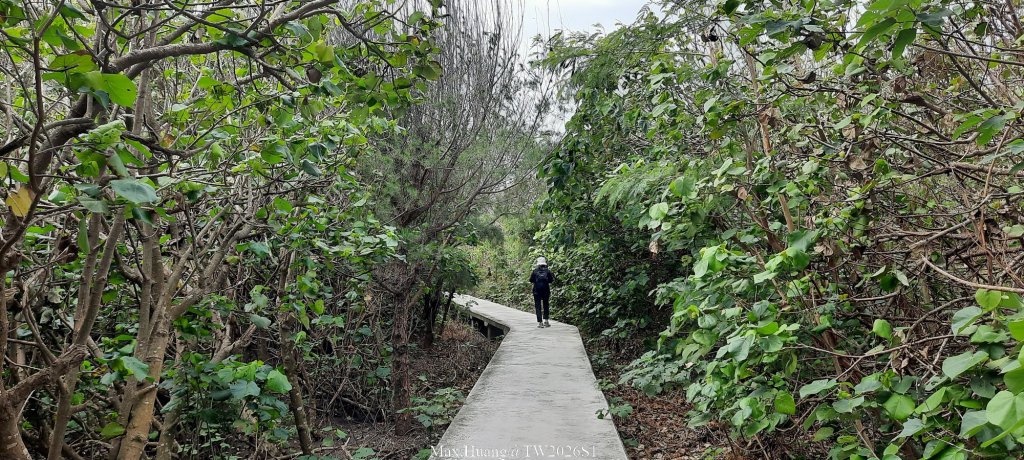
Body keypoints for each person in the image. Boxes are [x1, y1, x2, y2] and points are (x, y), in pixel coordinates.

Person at [529, 257, 555, 328]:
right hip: (546, 290)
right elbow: (551, 280)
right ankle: (546, 321)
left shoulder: (535, 271)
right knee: (546, 304)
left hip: (536, 291)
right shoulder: (548, 271)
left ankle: (540, 323)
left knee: (538, 306)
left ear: (538, 263)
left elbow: (531, 280)